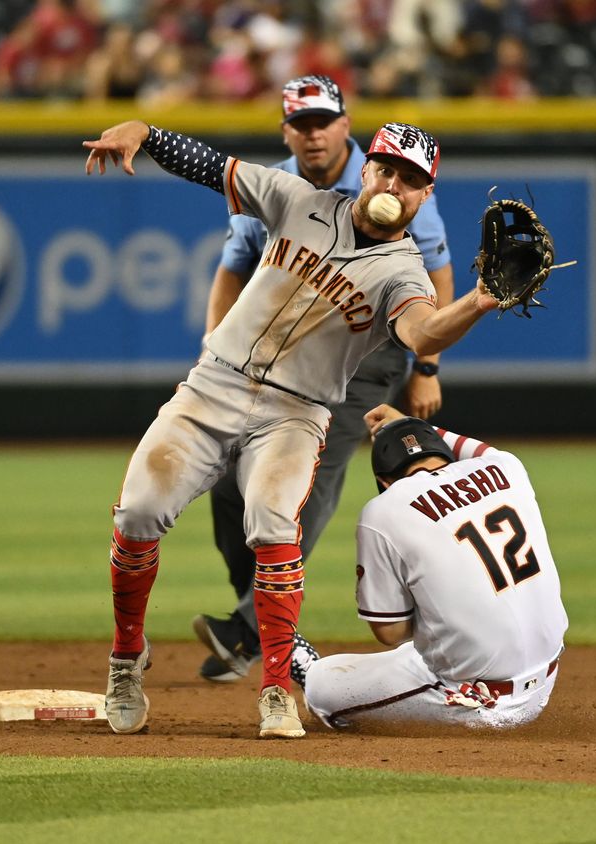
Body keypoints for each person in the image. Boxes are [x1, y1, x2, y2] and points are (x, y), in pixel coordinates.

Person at [83, 116, 500, 739]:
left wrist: (481, 298)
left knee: (274, 524)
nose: (394, 183)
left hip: (295, 412)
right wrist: (145, 131)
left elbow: (421, 332)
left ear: (425, 195)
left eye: (411, 179)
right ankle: (126, 658)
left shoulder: (405, 272)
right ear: (367, 168)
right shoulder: (298, 199)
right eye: (386, 168)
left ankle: (276, 688)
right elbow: (213, 167)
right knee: (137, 515)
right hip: (215, 384)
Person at [190, 74, 455, 685]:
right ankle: (257, 614)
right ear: (287, 130)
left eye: (323, 121)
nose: (313, 134)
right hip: (284, 351)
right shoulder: (279, 185)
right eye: (301, 124)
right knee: (229, 487)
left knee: (306, 478)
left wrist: (427, 368)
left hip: (369, 354)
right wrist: (214, 348)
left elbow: (436, 272)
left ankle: (248, 628)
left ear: (345, 125)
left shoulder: (398, 176)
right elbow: (232, 269)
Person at [290, 404, 568, 729]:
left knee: (323, 688)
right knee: (436, 639)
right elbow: (482, 451)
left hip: (477, 702)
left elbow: (390, 632)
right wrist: (415, 426)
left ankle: (305, 665)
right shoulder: (507, 466)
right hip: (546, 680)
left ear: (383, 480)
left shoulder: (383, 510)